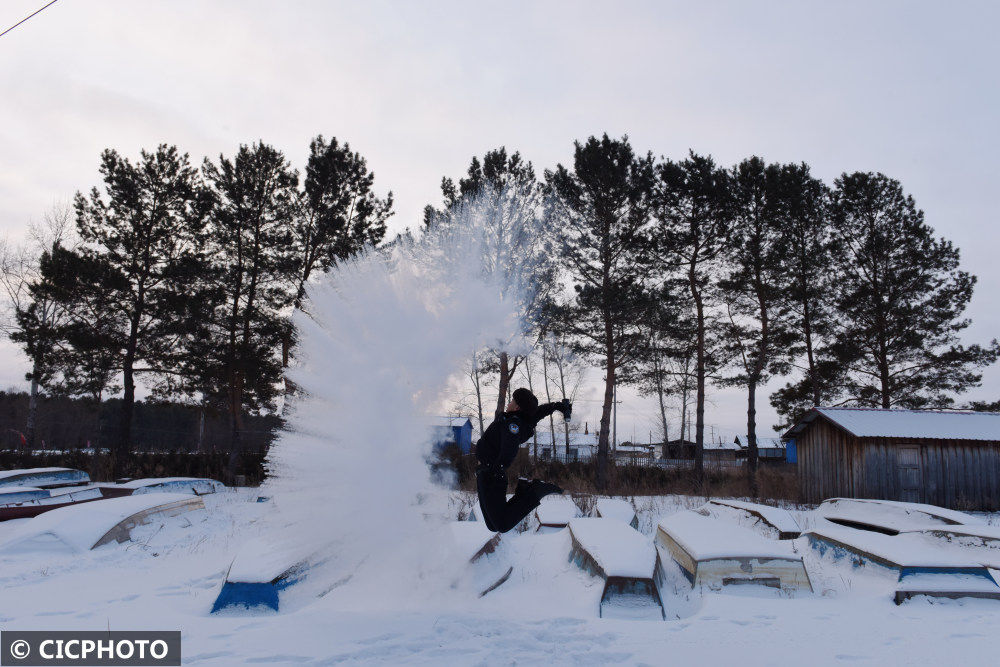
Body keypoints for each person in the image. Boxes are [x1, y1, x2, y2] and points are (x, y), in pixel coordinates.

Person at [475, 387, 572, 533]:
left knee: (501, 525)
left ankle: (535, 492)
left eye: (511, 401)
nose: (508, 404)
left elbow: (510, 447)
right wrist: (555, 406)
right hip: (485, 473)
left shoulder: (513, 424)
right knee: (493, 525)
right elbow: (537, 413)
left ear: (516, 407)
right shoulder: (518, 420)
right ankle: (524, 491)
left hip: (492, 474)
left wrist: (497, 469)